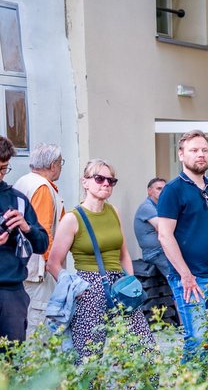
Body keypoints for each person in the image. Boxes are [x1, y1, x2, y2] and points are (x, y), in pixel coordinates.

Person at [46, 159, 153, 358]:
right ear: (85, 182)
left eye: (111, 180)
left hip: (121, 286)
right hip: (89, 286)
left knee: (142, 346)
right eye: (99, 178)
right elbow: (53, 263)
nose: (106, 183)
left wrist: (131, 282)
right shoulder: (72, 218)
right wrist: (75, 289)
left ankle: (142, 389)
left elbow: (124, 254)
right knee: (88, 353)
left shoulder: (114, 212)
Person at [157, 130, 208, 362]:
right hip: (190, 278)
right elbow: (165, 236)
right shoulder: (173, 189)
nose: (201, 155)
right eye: (194, 150)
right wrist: (185, 275)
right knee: (196, 338)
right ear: (181, 154)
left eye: (204, 150)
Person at [0, 137, 49, 343]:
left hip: (11, 291)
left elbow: (42, 244)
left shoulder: (17, 199)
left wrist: (26, 227)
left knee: (12, 363)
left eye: (3, 169)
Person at [13, 143, 64, 336]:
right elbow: (44, 232)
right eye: (60, 163)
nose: (60, 168)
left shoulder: (23, 181)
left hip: (23, 266)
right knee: (38, 327)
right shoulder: (42, 188)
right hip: (39, 270)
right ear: (53, 165)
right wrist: (54, 267)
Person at [133, 177, 171, 276]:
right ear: (149, 191)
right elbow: (165, 229)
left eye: (165, 189)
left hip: (164, 250)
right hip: (155, 253)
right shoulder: (147, 207)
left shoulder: (161, 207)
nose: (163, 192)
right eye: (159, 189)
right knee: (178, 276)